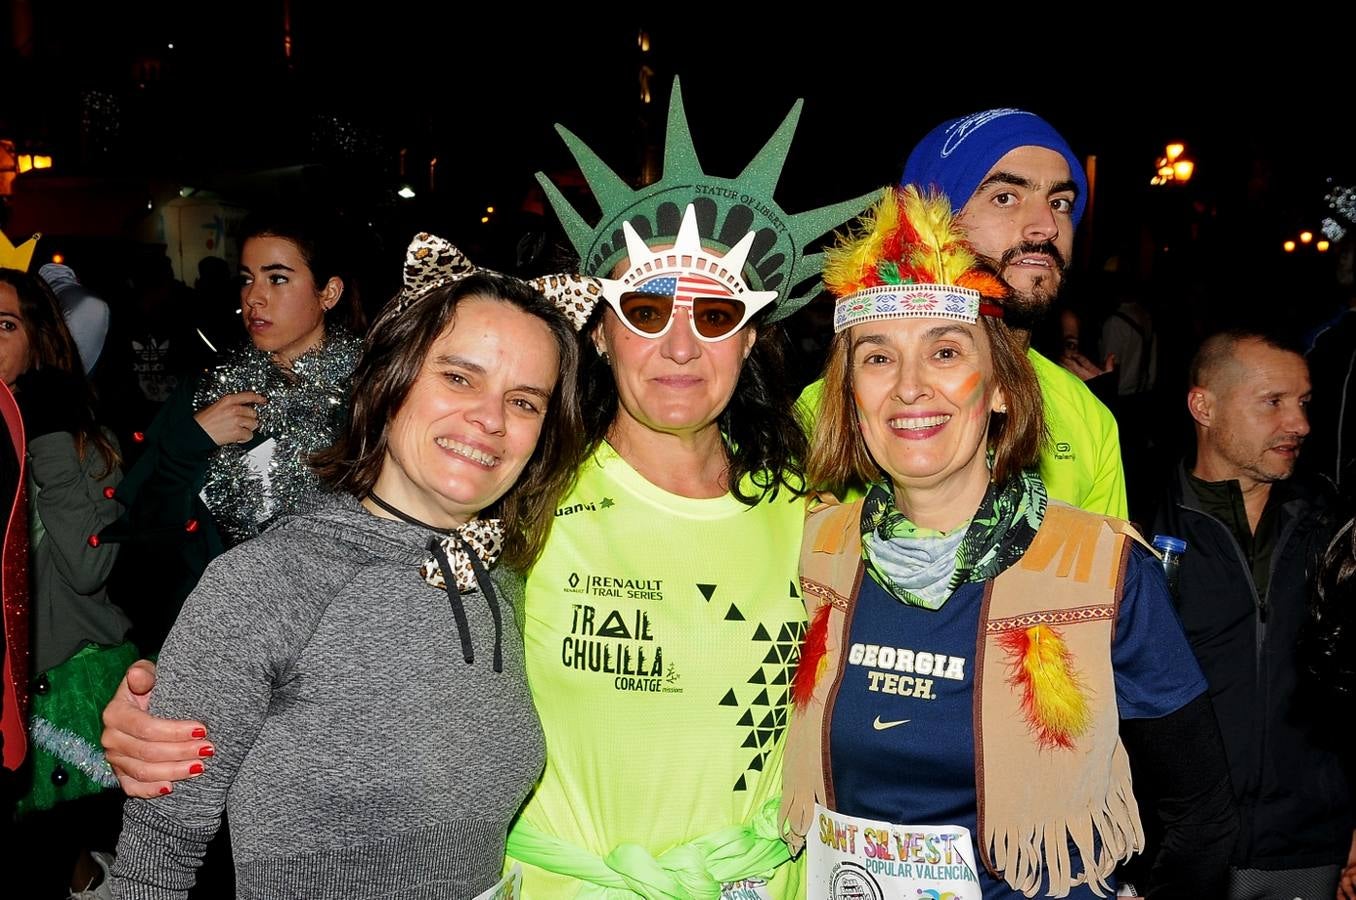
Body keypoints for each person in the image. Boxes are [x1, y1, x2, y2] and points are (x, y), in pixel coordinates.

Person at [780, 186, 1237, 898]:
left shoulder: (1099, 569)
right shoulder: (816, 554)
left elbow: (1203, 816)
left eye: (945, 352)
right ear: (849, 396)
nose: (909, 388)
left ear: (998, 388)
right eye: (877, 358)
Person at [108, 234, 586, 898]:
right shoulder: (271, 580)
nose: (490, 419)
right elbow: (148, 874)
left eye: (525, 401)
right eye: (457, 376)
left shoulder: (502, 577)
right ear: (391, 384)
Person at [800, 109, 1128, 517]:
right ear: (932, 224)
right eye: (1005, 197)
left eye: (1060, 202)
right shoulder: (827, 415)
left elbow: (1103, 575)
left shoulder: (1087, 418)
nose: (1046, 226)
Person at [100, 210, 366, 649]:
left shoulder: (371, 400)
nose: (254, 299)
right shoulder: (208, 391)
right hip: (211, 641)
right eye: (247, 279)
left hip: (331, 648)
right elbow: (147, 538)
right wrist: (189, 443)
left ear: (329, 292)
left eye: (277, 279)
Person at [1151, 330, 1354, 899]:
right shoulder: (1137, 526)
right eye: (1273, 402)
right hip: (1174, 852)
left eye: (1304, 402)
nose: (1301, 424)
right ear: (1204, 407)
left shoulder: (1333, 528)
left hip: (1306, 843)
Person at [0, 266, 129, 898]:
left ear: (41, 343)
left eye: (3, 325)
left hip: (54, 687)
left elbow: (86, 567)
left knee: (54, 859)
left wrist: (45, 433)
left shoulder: (84, 447)